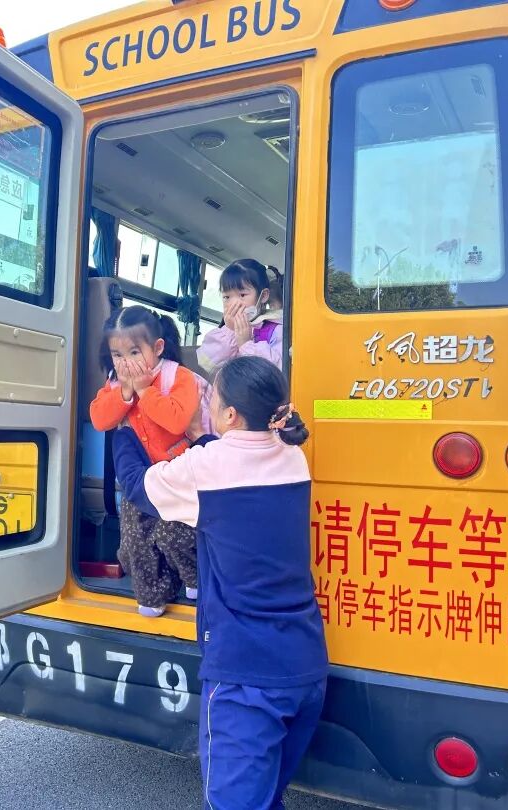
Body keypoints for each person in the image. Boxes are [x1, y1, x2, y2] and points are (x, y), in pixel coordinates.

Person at [112, 356, 327, 810]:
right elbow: (231, 462)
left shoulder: (207, 468)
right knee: (266, 798)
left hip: (246, 676)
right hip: (304, 663)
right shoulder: (292, 455)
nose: (205, 404)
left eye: (212, 400)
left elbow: (136, 486)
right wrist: (200, 437)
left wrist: (123, 429)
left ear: (230, 414)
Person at [89, 305, 199, 617]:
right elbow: (99, 419)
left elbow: (177, 421)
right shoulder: (115, 383)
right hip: (139, 477)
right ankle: (152, 595)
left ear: (158, 347)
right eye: (117, 355)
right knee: (136, 538)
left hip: (178, 475)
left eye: (134, 352)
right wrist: (125, 392)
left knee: (175, 533)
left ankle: (195, 578)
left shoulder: (178, 376)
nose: (126, 363)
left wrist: (145, 391)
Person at [198, 258, 284, 376]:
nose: (234, 304)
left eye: (242, 295)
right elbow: (208, 365)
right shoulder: (224, 333)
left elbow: (276, 372)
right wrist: (231, 331)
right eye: (227, 297)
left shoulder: (276, 330)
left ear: (263, 296)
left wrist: (246, 344)